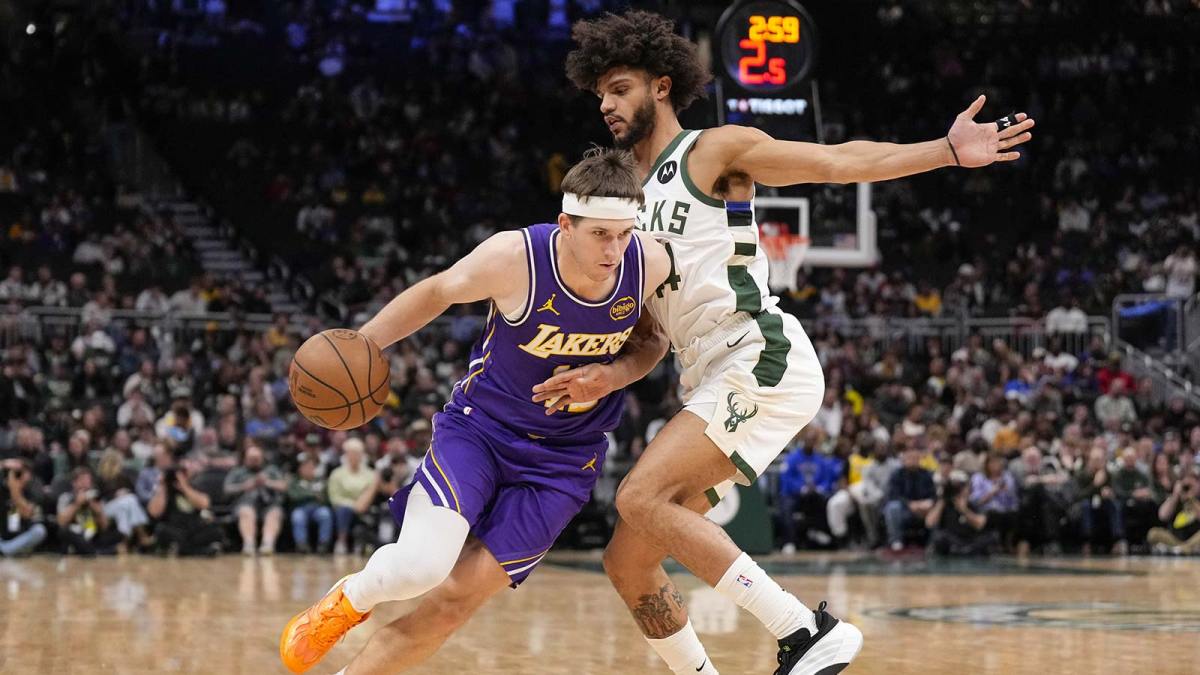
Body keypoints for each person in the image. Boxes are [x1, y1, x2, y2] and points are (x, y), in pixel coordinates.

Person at [556, 10, 1033, 673]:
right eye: (600, 93)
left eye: (620, 87)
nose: (606, 104)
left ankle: (807, 630)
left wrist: (945, 150)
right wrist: (608, 376)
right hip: (707, 371)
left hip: (760, 352)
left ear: (661, 85)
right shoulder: (622, 206)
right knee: (627, 561)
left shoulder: (711, 150)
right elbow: (652, 338)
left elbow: (835, 164)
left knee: (638, 495)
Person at [279, 149, 671, 673]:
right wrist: (364, 342)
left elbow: (653, 342)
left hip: (563, 462)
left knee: (455, 601)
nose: (615, 249)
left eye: (624, 234)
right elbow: (440, 291)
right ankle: (350, 598)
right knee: (421, 568)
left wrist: (613, 376)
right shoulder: (516, 258)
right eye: (600, 234)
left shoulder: (649, 262)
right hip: (481, 434)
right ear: (566, 224)